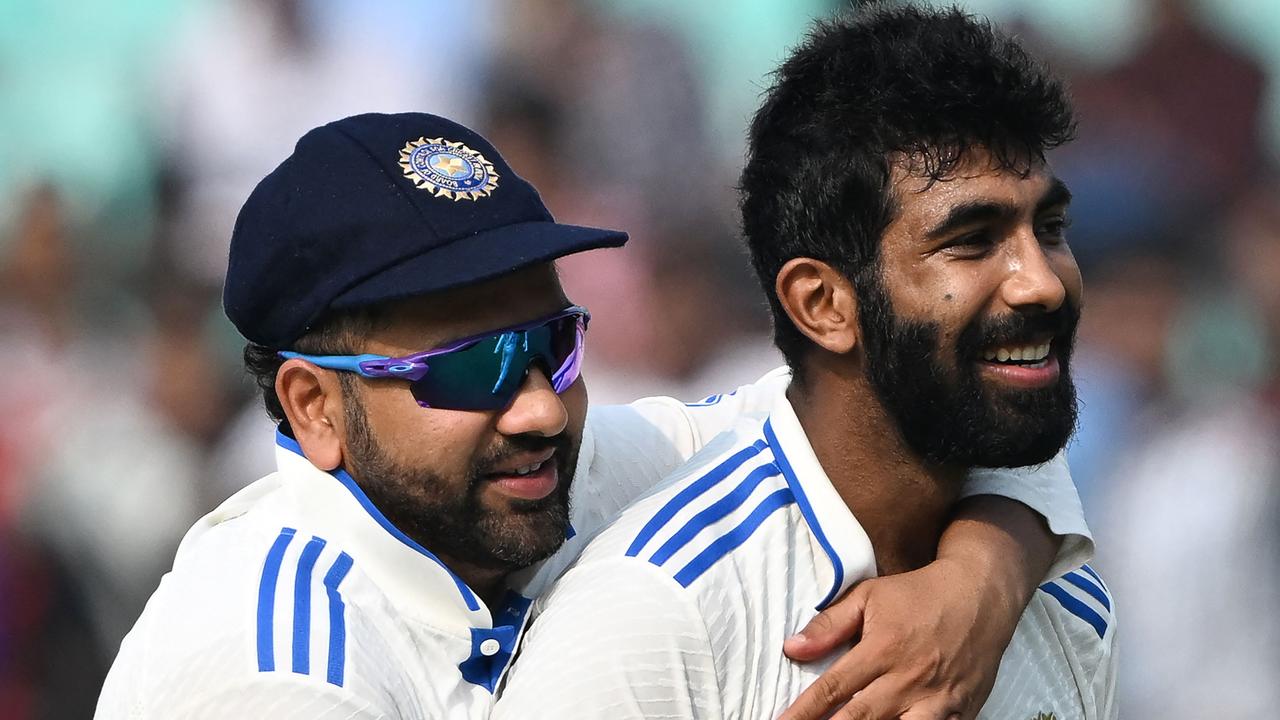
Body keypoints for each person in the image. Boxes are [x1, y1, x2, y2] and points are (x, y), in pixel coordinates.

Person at [95, 111, 1092, 718]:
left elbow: (913, 402)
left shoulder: (590, 462)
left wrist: (976, 584)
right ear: (314, 408)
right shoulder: (279, 671)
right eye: (470, 367)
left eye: (552, 344)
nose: (536, 408)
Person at [494, 6, 1117, 719]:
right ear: (823, 304)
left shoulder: (1065, 602)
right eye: (971, 241)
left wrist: (990, 576)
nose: (1040, 280)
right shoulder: (659, 616)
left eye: (1050, 227)